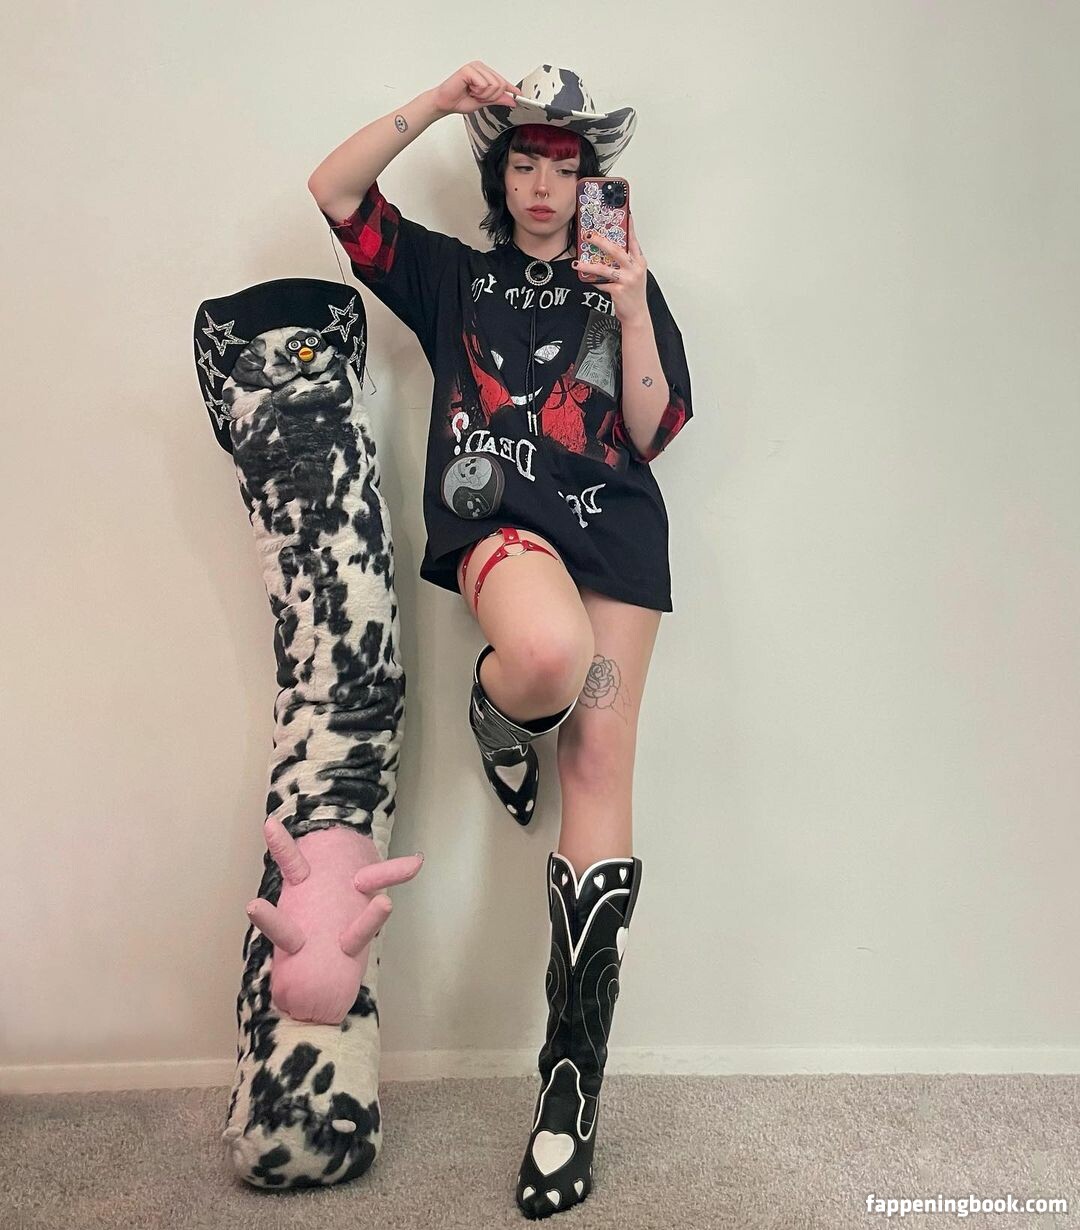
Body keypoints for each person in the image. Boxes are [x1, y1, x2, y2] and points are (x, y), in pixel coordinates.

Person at [308, 61, 693, 1221]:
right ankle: (499, 705)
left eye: (563, 167)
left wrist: (632, 304)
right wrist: (434, 100)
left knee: (600, 761)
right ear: (500, 171)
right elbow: (334, 192)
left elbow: (650, 430)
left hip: (618, 540)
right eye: (524, 161)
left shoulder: (622, 282)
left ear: (590, 183)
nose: (541, 185)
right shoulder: (453, 277)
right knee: (544, 657)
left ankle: (569, 1091)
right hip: (502, 526)